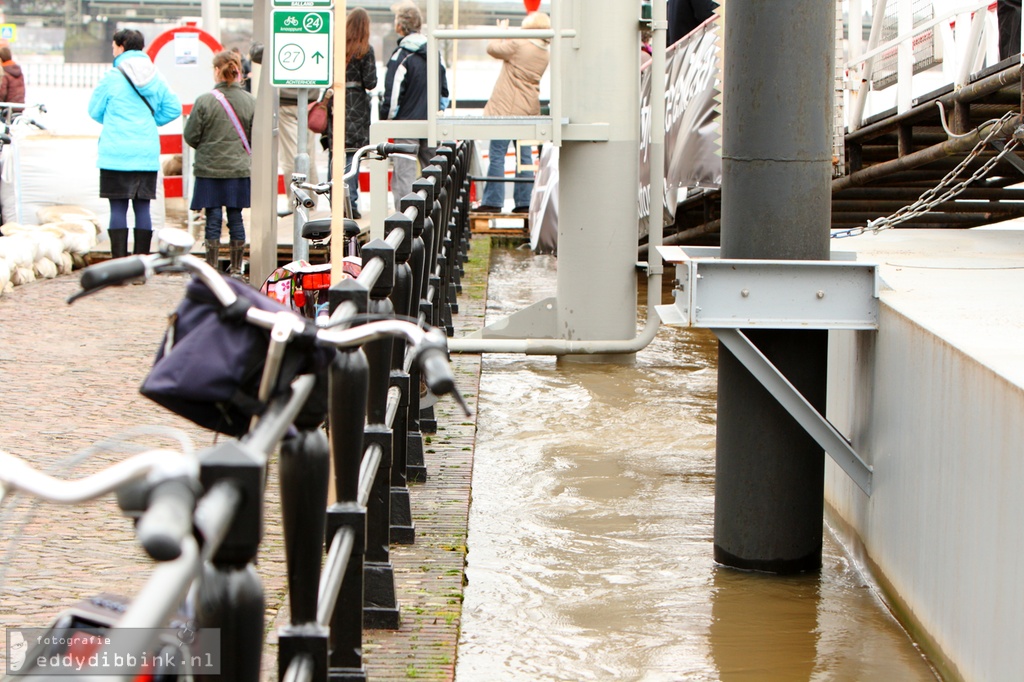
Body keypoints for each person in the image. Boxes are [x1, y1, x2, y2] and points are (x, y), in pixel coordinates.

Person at [88, 29, 181, 259]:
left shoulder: (111, 77)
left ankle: (119, 266)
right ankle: (141, 266)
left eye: (113, 46)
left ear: (121, 46)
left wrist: (113, 121)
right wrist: (151, 121)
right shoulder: (155, 76)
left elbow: (93, 110)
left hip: (115, 153)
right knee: (142, 208)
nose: (113, 50)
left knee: (118, 208)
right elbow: (174, 108)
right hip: (145, 153)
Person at [183, 50, 256, 278]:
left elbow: (191, 135)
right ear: (238, 72)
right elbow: (255, 138)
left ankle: (212, 268)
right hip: (238, 169)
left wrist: (208, 147)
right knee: (236, 217)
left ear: (216, 71)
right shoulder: (250, 101)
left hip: (209, 169)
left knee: (212, 218)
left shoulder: (204, 101)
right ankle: (236, 268)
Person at [476, 11, 551, 214]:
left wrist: (501, 33)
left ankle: (493, 200)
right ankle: (524, 202)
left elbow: (493, 49)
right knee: (524, 157)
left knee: (498, 154)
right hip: (529, 108)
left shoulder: (520, 44)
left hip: (507, 108)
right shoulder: (545, 51)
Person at [380, 2, 449, 211]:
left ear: (400, 26)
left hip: (406, 124)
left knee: (404, 176)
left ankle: (404, 224)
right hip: (430, 122)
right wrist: (438, 111)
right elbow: (444, 91)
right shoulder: (435, 54)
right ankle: (436, 216)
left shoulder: (401, 56)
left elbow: (393, 96)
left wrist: (387, 120)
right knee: (435, 173)